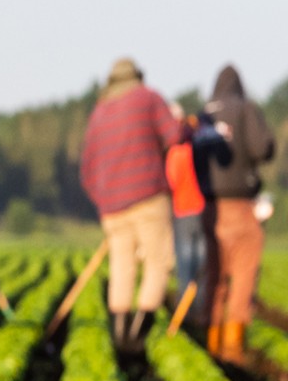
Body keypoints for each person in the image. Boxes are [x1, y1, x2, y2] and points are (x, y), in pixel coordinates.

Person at [77, 57, 181, 352]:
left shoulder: (99, 112)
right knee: (157, 262)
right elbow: (174, 135)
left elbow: (86, 169)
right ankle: (139, 334)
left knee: (122, 266)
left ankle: (119, 335)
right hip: (148, 196)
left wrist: (104, 198)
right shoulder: (148, 98)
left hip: (112, 207)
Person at [195, 64, 277, 361]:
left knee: (215, 275)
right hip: (241, 207)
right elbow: (263, 148)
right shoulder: (245, 109)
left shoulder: (204, 114)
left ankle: (212, 343)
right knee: (243, 274)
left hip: (209, 209)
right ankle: (232, 348)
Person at [165, 105, 208, 311]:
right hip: (201, 212)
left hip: (183, 213)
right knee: (200, 268)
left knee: (185, 268)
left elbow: (170, 184)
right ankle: (199, 312)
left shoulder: (176, 153)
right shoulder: (198, 148)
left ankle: (187, 314)